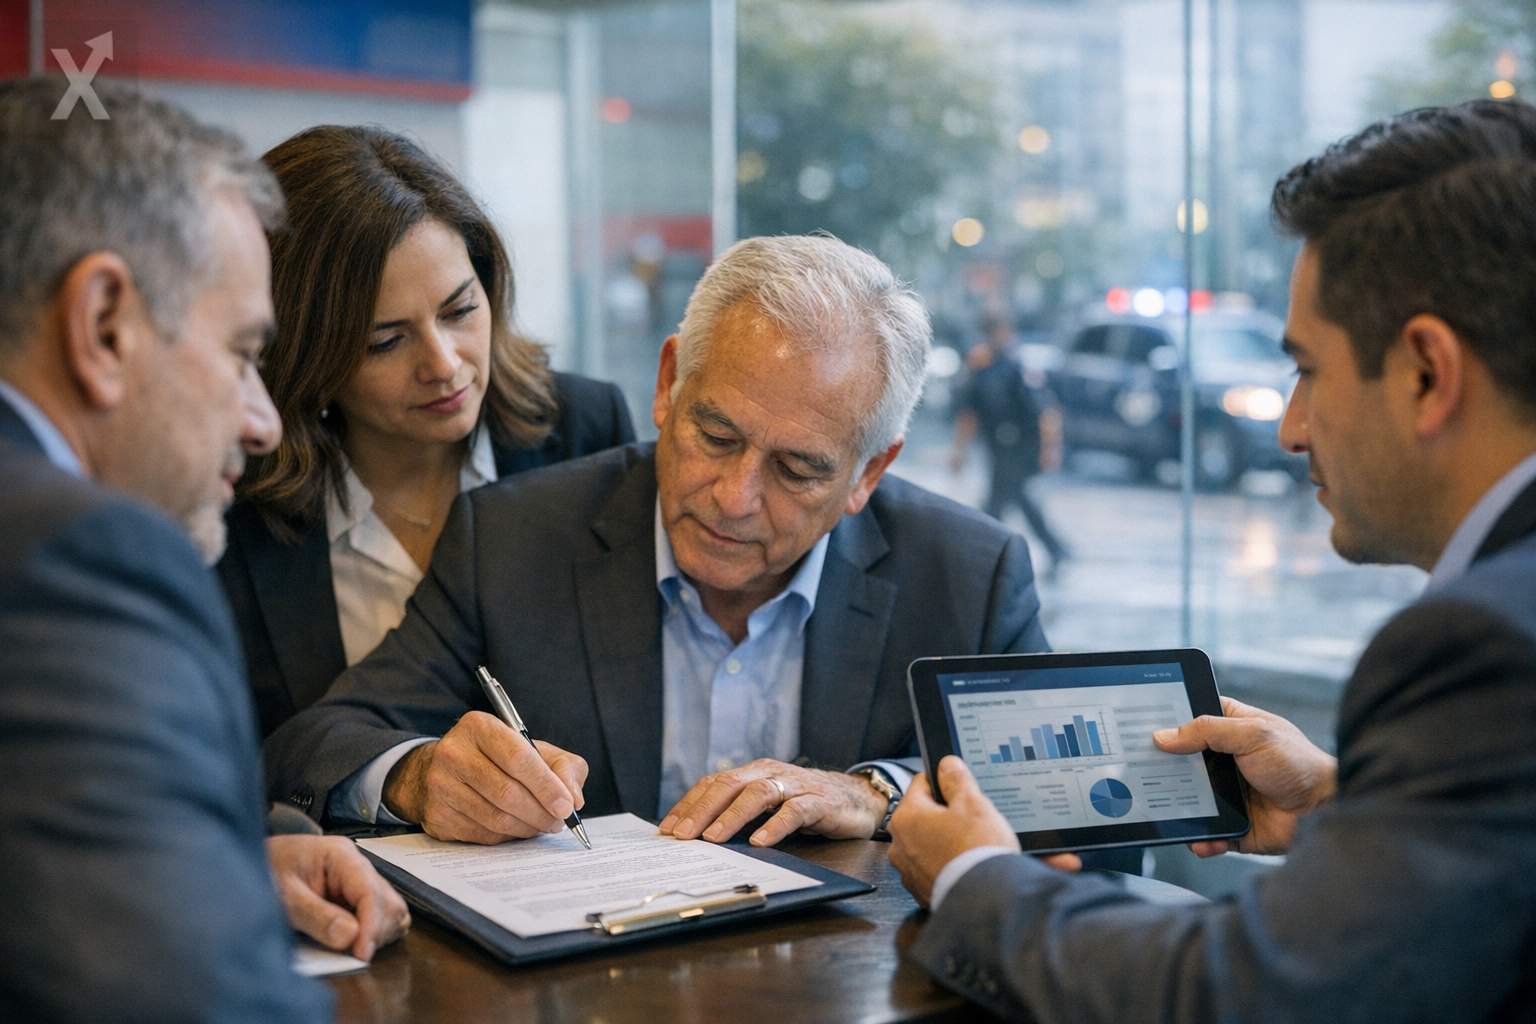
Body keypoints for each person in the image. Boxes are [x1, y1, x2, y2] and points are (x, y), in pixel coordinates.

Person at [889, 98, 1536, 1022]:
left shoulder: (1482, 644)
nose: (1288, 428)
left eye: (1307, 369)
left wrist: (974, 878)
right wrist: (1341, 799)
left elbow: (1238, 994)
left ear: (1427, 372)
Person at [263, 233, 1071, 856]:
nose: (734, 498)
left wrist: (878, 795)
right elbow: (318, 742)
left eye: (797, 470)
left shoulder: (968, 574)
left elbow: (1071, 804)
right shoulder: (513, 539)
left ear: (869, 473)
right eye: (714, 434)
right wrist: (418, 775)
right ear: (667, 383)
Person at [0, 79, 407, 1020]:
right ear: (104, 324)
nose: (265, 422)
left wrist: (219, 857)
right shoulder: (80, 564)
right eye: (240, 353)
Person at [216, 125, 634, 739]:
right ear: (303, 354)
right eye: (386, 341)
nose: (443, 364)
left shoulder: (586, 429)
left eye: (460, 310)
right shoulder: (234, 492)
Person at [949, 312, 1068, 572]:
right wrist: (959, 451)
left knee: (1003, 501)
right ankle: (1050, 549)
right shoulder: (979, 371)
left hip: (1020, 446)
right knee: (1009, 499)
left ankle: (989, 553)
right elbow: (968, 415)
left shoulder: (1015, 368)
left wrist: (1050, 449)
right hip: (997, 448)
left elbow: (1046, 412)